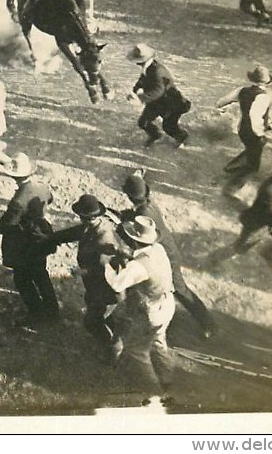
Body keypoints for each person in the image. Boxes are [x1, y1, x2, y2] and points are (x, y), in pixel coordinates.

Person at [120, 171, 216, 339]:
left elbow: (139, 240)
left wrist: (122, 227)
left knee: (180, 290)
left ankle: (208, 323)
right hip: (166, 250)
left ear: (130, 196)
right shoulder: (148, 205)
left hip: (165, 257)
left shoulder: (143, 214)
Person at [45, 194, 126, 362]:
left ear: (92, 217)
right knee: (98, 310)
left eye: (83, 217)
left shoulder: (104, 239)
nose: (80, 219)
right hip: (95, 286)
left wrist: (79, 272)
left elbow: (101, 268)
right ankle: (110, 330)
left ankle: (113, 348)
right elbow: (76, 232)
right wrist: (52, 238)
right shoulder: (92, 225)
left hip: (106, 287)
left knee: (91, 321)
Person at [0, 153, 59, 326]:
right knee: (41, 274)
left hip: (24, 242)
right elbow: (50, 199)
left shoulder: (18, 201)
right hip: (41, 235)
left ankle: (36, 312)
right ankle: (53, 310)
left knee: (22, 279)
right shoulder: (41, 185)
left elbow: (4, 226)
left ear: (13, 175)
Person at [103, 216, 176, 401]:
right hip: (168, 303)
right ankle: (168, 380)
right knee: (159, 342)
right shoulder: (157, 249)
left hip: (151, 311)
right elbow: (142, 261)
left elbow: (117, 284)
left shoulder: (139, 266)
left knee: (138, 352)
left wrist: (105, 263)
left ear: (135, 240)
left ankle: (154, 394)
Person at [216, 65, 272, 194]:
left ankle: (230, 168)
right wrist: (260, 134)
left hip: (242, 128)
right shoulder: (263, 97)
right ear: (266, 82)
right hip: (253, 130)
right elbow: (255, 116)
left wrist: (220, 108)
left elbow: (222, 101)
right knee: (253, 166)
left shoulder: (241, 90)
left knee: (251, 149)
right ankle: (233, 188)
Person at [126, 44, 191, 148]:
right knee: (143, 122)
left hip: (171, 103)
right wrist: (135, 89)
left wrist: (140, 98)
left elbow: (158, 90)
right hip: (156, 102)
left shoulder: (157, 71)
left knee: (169, 127)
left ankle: (183, 138)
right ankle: (156, 135)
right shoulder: (149, 67)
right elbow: (143, 78)